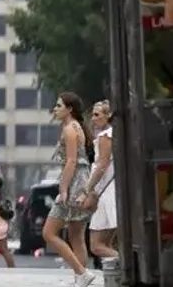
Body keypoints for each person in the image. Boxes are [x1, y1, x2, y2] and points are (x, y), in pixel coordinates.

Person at [43, 91, 96, 287]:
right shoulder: (77, 127)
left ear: (69, 109)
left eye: (59, 106)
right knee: (76, 234)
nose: (55, 109)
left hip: (74, 182)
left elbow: (71, 161)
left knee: (49, 233)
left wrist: (63, 189)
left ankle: (81, 272)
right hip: (82, 180)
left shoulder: (69, 129)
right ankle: (81, 277)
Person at [80, 100, 117, 263]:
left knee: (96, 246)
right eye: (92, 115)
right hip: (112, 191)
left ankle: (129, 264)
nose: (93, 119)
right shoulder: (115, 134)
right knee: (107, 243)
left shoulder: (105, 136)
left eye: (97, 115)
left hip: (106, 194)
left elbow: (102, 164)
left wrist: (87, 189)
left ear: (108, 116)